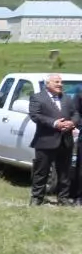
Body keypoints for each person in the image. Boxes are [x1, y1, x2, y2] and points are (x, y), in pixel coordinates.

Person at [29, 72, 74, 206]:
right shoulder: (37, 98)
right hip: (45, 140)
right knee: (41, 171)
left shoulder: (66, 98)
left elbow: (75, 113)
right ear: (47, 84)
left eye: (61, 82)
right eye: (57, 82)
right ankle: (37, 198)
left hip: (65, 141)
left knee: (64, 173)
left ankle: (63, 198)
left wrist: (72, 123)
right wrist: (55, 123)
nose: (61, 84)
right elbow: (35, 116)